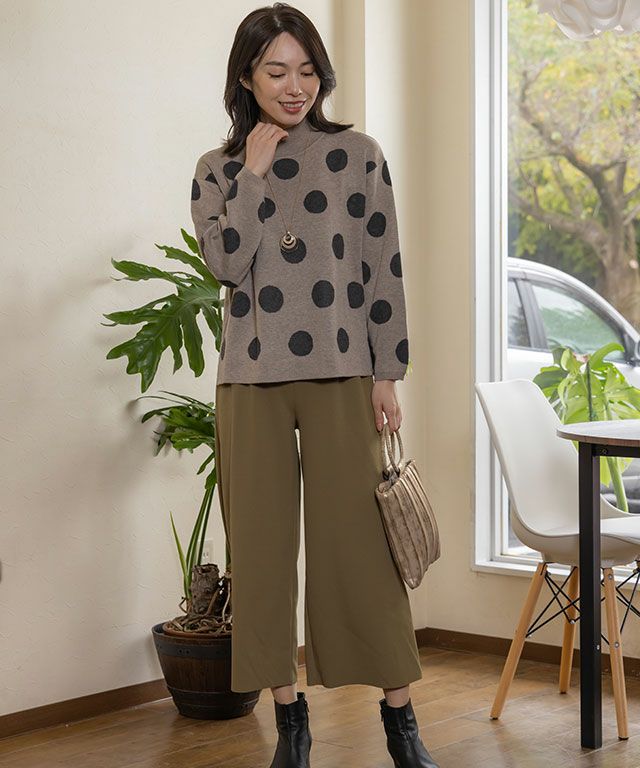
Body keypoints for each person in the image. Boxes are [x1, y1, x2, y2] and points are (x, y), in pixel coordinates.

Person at [190, 4, 438, 767]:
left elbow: (383, 269)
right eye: (276, 71)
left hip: (341, 374)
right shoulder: (217, 169)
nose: (294, 86)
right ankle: (289, 723)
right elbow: (225, 264)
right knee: (262, 556)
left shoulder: (358, 155)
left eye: (306, 70)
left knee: (363, 551)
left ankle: (401, 723)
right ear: (246, 77)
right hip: (251, 383)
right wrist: (253, 175)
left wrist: (388, 371)